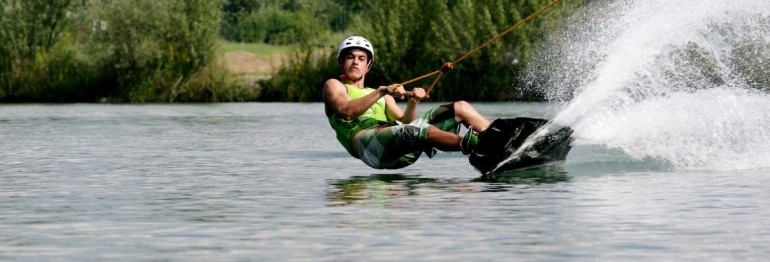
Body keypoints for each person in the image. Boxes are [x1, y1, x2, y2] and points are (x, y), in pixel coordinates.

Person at [323, 36, 492, 169]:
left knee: (459, 107)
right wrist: (381, 91)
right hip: (367, 146)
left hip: (398, 142)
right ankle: (481, 147)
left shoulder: (383, 97)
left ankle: (497, 138)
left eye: (361, 58)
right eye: (350, 57)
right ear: (341, 62)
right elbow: (346, 111)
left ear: (368, 65)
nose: (355, 62)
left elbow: (407, 123)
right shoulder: (335, 86)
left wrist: (413, 101)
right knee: (414, 131)